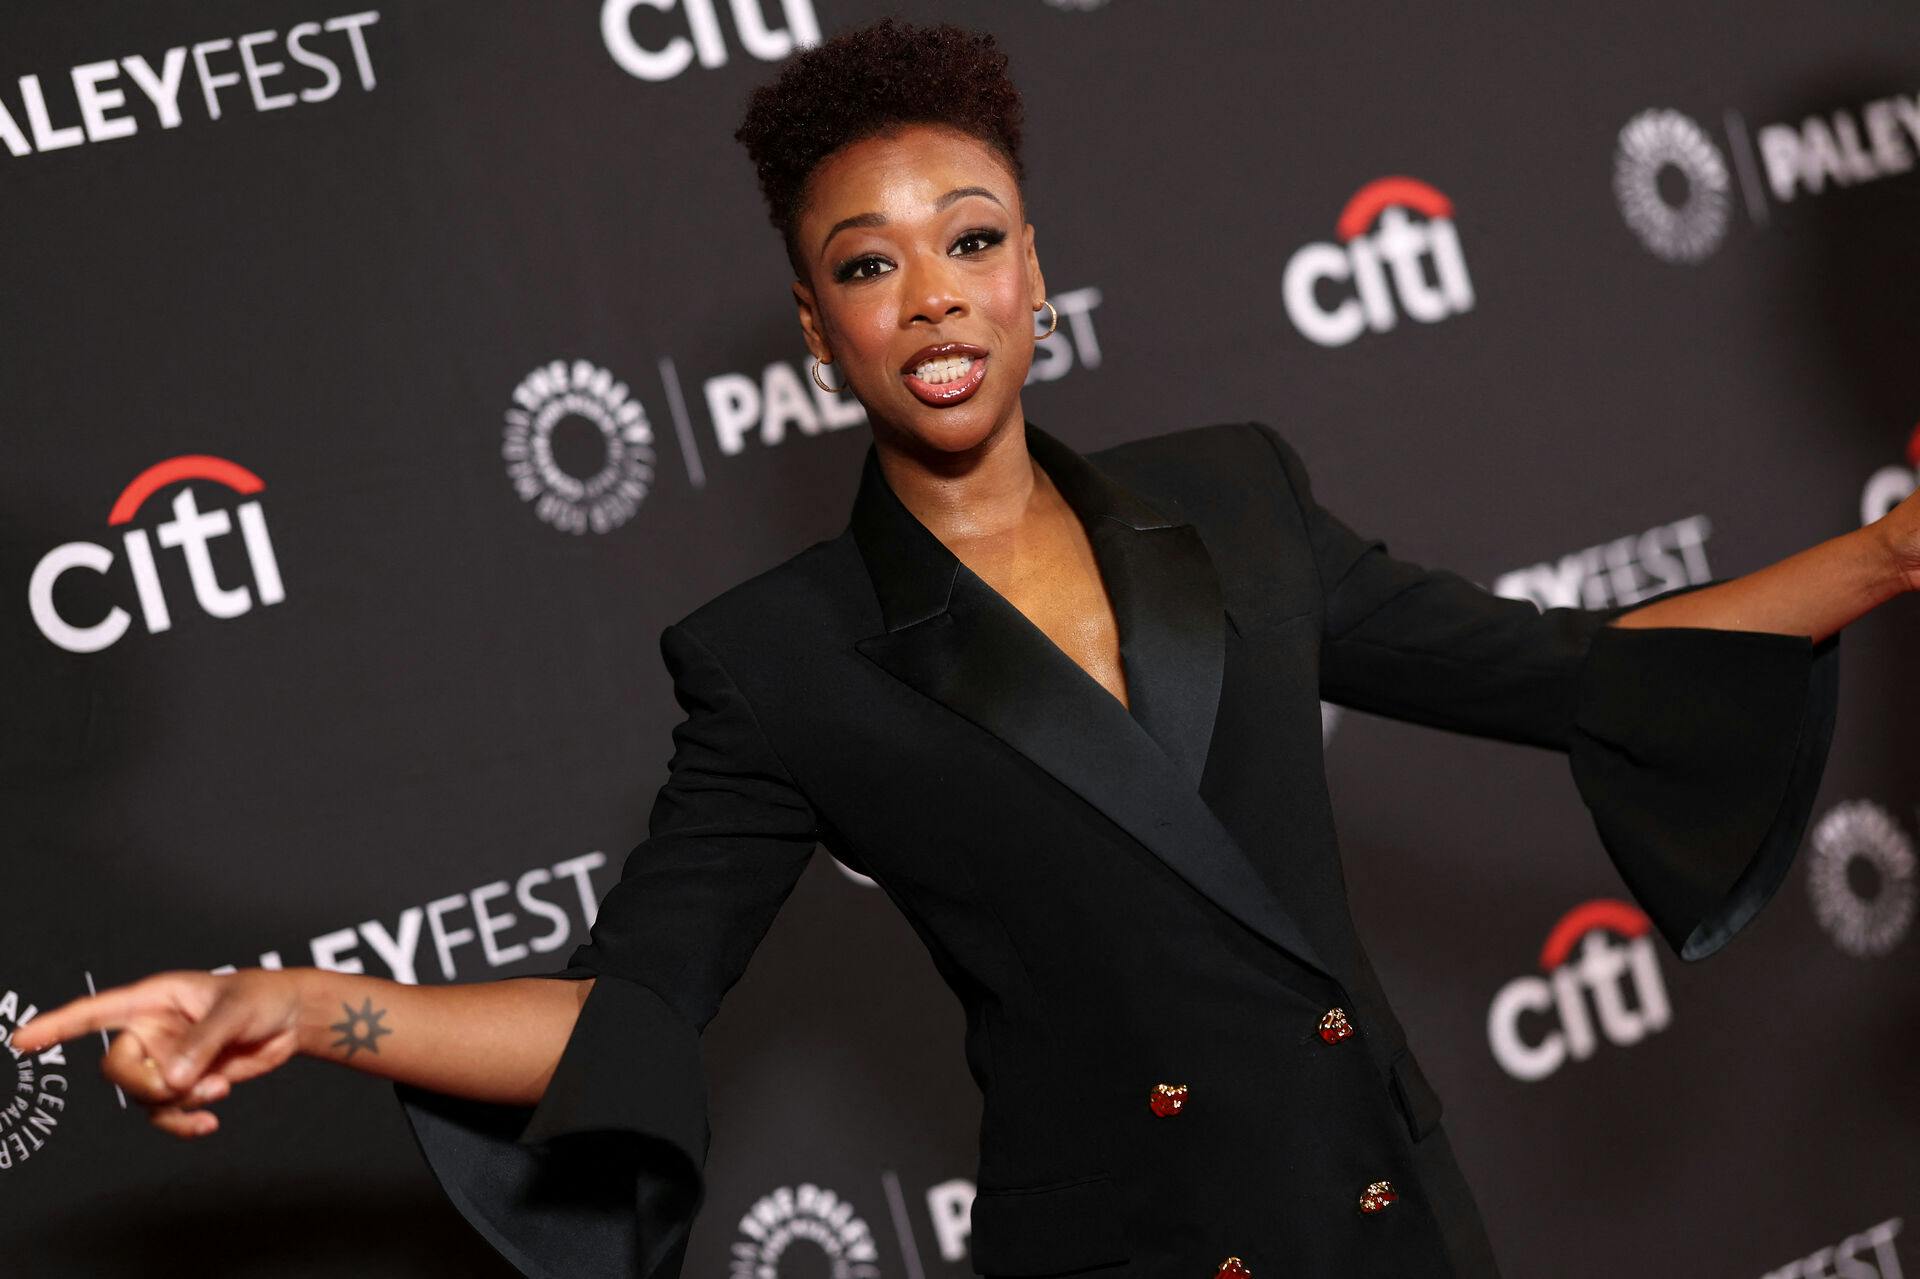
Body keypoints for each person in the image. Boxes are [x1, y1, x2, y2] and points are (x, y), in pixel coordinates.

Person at [12, 17, 1917, 1279]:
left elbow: (1578, 674)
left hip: (1389, 1219)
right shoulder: (779, 657)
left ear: (1035, 267)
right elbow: (628, 1023)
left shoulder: (1237, 501)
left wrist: (1884, 557)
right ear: (813, 323)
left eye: (971, 238)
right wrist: (300, 1002)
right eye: (867, 262)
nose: (931, 295)